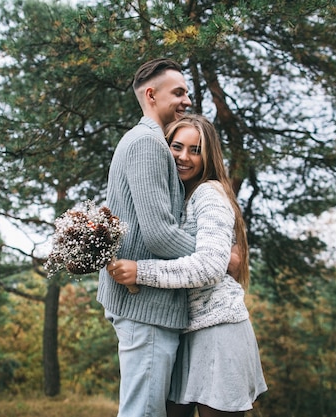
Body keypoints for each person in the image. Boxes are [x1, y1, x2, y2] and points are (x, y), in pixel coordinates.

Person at [109, 114, 268, 417]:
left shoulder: (209, 193)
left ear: (208, 157)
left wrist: (141, 271)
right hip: (182, 332)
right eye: (177, 146)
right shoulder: (176, 196)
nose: (184, 157)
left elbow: (209, 266)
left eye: (195, 150)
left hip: (219, 331)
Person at [96, 58, 197, 417]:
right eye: (179, 92)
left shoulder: (147, 141)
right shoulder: (148, 144)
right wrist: (213, 257)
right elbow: (160, 235)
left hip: (147, 305)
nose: (187, 100)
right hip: (146, 309)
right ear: (151, 95)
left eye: (187, 92)